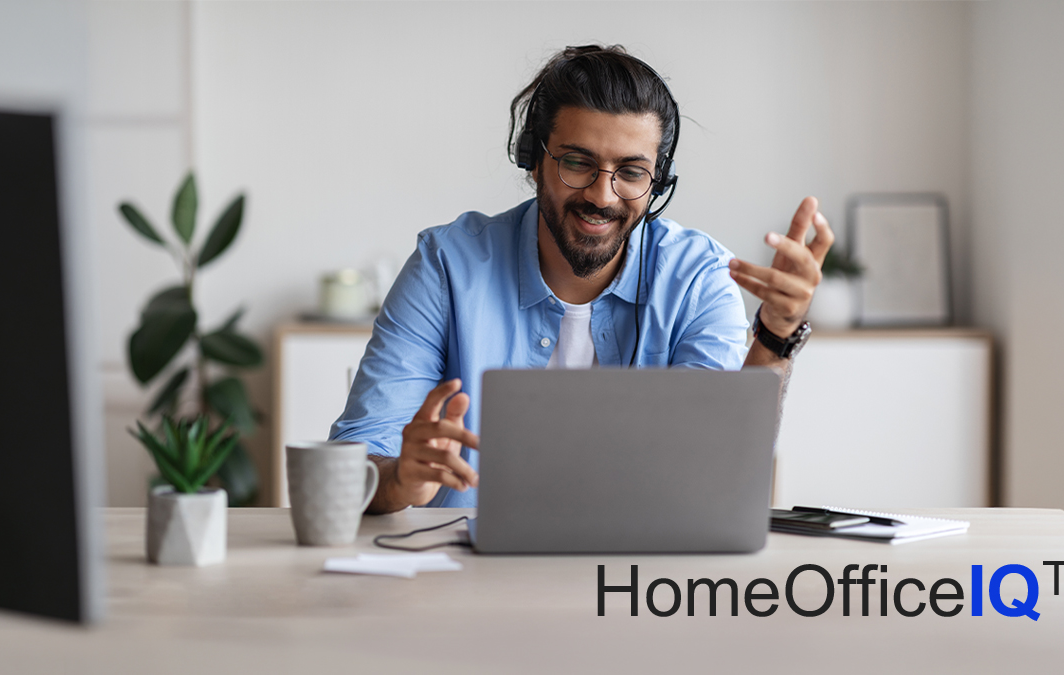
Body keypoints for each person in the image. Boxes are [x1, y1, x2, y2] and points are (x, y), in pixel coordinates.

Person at [330, 45, 832, 514]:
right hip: (467, 585)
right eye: (577, 163)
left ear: (658, 179)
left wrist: (776, 333)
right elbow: (354, 462)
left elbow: (721, 472)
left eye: (632, 172)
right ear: (533, 159)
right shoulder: (447, 265)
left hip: (641, 589)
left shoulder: (698, 278)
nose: (603, 195)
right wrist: (399, 479)